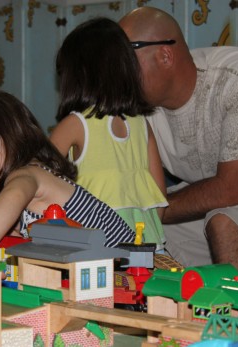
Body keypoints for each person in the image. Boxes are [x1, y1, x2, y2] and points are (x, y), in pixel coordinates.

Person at [119, 7, 238, 280]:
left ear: (165, 55)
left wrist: (150, 209)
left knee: (225, 222)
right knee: (139, 236)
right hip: (224, 202)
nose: (118, 74)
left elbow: (231, 192)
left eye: (125, 61)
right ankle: (191, 319)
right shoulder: (138, 107)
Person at [0, 90, 135, 260]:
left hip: (127, 262)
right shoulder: (18, 197)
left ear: (17, 135)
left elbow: (15, 193)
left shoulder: (31, 173)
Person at [50, 17, 168, 250]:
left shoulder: (74, 124)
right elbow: (159, 197)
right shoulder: (142, 126)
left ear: (77, 76)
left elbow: (36, 177)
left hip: (95, 245)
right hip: (143, 243)